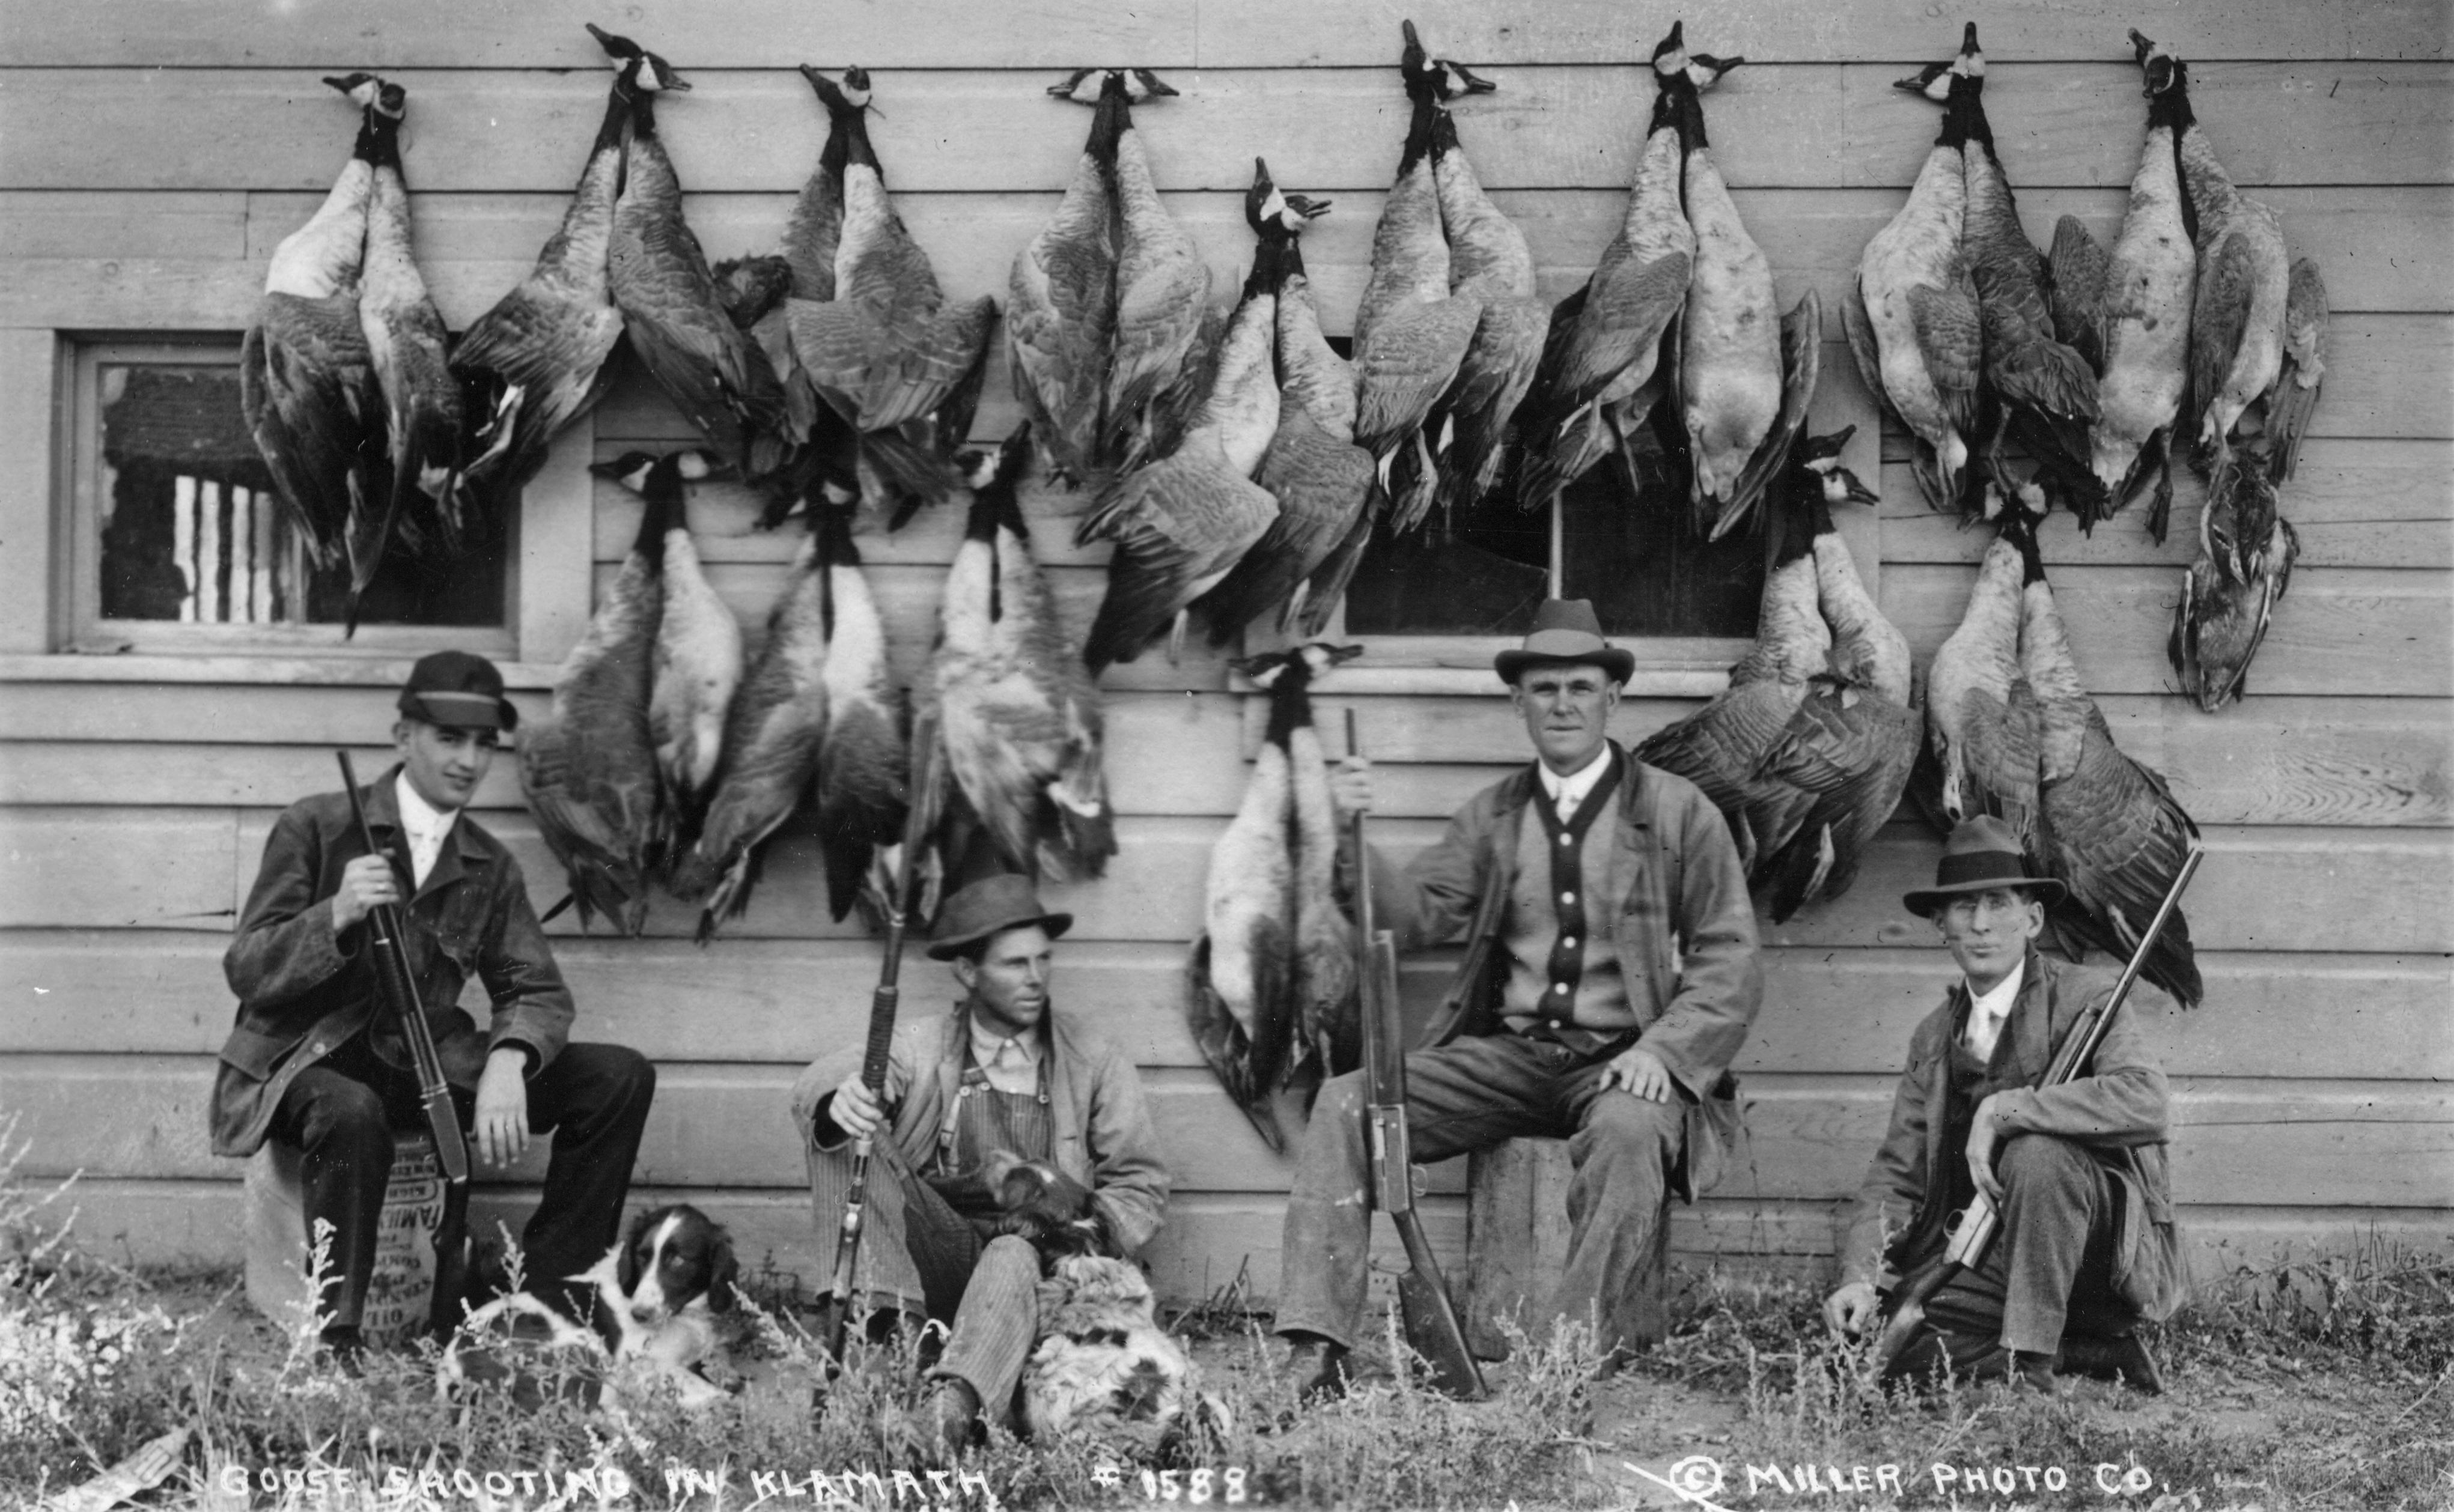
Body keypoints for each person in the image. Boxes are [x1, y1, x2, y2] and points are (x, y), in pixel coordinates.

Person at [1279, 598, 1764, 1395]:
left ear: (1614, 699)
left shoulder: (1677, 813)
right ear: (1519, 704)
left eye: (1581, 686)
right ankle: (1316, 1348)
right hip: (1512, 1059)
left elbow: (1731, 955)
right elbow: (1411, 916)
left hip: (1622, 1063)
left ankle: (1562, 1367)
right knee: (1344, 1105)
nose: (1563, 704)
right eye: (1545, 689)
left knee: (1633, 1136)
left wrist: (1663, 1051)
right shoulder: (1495, 815)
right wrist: (1345, 832)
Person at [213, 651, 657, 1364]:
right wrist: (335, 914)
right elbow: (249, 970)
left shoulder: (487, 863)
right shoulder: (317, 827)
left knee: (617, 1077)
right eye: (450, 739)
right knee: (349, 1110)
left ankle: (546, 1302)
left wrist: (512, 1059)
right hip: (306, 1058)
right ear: (402, 738)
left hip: (422, 1058)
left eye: (484, 744)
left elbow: (532, 987)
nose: (470, 761)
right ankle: (340, 1338)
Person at [790, 873, 1170, 1448]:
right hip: (937, 1264)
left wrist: (1078, 1230)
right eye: (1015, 964)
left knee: (1012, 1249)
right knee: (846, 1138)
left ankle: (947, 1415)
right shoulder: (924, 1045)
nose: (1037, 978)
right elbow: (833, 1075)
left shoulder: (1093, 1059)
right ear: (968, 973)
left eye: (1044, 959)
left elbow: (1140, 1186)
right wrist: (845, 1097)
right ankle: (887, 1345)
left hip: (1040, 1277)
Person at [1824, 816, 2185, 1392]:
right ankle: (2084, 1349)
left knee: (2037, 1153)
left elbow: (2147, 1103)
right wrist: (1860, 1277)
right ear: (1940, 924)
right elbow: (1897, 1173)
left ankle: (2032, 1367)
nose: (1982, 924)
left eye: (1998, 903)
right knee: (1873, 1356)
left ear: (2033, 918)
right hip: (1985, 1248)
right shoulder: (1934, 1036)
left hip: (2093, 1253)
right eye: (1964, 908)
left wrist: (2006, 1110)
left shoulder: (2088, 998)